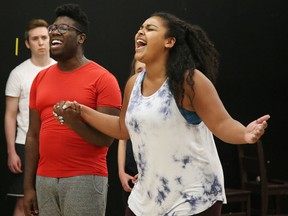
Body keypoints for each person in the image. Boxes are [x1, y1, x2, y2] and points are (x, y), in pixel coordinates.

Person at [54, 12, 270, 216]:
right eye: (139, 28)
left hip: (192, 197)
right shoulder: (133, 84)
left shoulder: (189, 81)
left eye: (150, 29)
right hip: (146, 198)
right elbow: (123, 129)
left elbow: (222, 123)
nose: (140, 32)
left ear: (170, 41)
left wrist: (244, 134)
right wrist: (81, 111)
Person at [23, 3, 122, 216]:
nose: (55, 32)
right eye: (52, 29)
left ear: (81, 38)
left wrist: (72, 122)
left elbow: (106, 139)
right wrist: (28, 187)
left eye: (63, 28)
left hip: (85, 178)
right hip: (44, 180)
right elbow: (32, 135)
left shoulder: (103, 79)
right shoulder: (40, 78)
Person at [4, 19, 56, 216]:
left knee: (50, 203)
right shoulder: (18, 74)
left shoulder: (60, 69)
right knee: (23, 204)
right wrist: (11, 151)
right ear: (27, 43)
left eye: (44, 37)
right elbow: (10, 115)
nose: (41, 42)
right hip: (24, 144)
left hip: (53, 144)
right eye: (35, 39)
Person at [118, 59, 145, 211]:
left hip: (154, 173)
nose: (142, 75)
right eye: (139, 71)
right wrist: (121, 172)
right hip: (131, 172)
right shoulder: (131, 99)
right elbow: (122, 136)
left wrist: (147, 171)